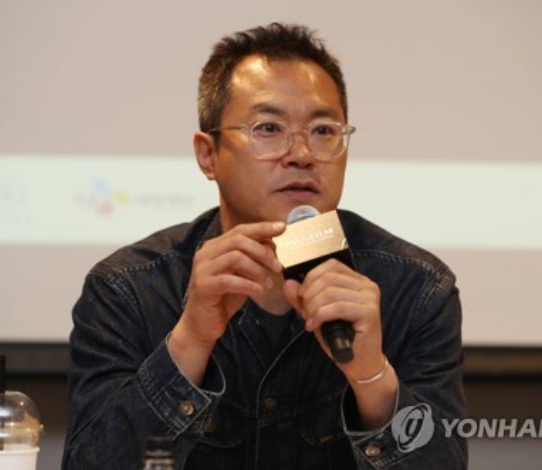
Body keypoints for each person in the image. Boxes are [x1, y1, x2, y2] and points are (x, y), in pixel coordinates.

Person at [62, 23, 467, 469]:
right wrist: (190, 340)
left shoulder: (416, 290)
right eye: (269, 128)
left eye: (323, 130)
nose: (301, 154)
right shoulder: (128, 290)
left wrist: (372, 377)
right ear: (208, 155)